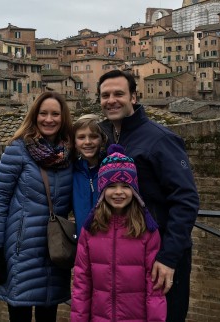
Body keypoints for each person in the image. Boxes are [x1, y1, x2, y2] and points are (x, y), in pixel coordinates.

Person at [97, 70, 199, 322]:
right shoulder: (102, 137)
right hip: (124, 256)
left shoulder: (160, 139)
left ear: (134, 97)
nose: (111, 100)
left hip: (159, 257)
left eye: (118, 94)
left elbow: (186, 200)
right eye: (105, 95)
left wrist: (168, 257)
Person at [0, 91, 74, 322]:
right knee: (20, 314)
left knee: (49, 315)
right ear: (34, 116)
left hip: (55, 252)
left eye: (55, 114)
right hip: (20, 252)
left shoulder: (70, 155)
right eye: (43, 113)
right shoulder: (18, 150)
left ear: (63, 118)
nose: (49, 119)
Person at [70, 144, 167, 321]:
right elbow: (81, 283)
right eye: (112, 186)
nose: (118, 192)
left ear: (134, 191)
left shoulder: (146, 230)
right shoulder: (90, 229)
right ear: (102, 190)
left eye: (125, 186)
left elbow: (154, 290)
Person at [72, 114, 107, 237]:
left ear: (102, 139)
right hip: (81, 245)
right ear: (74, 143)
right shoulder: (71, 173)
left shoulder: (110, 172)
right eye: (81, 137)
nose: (87, 142)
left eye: (93, 136)